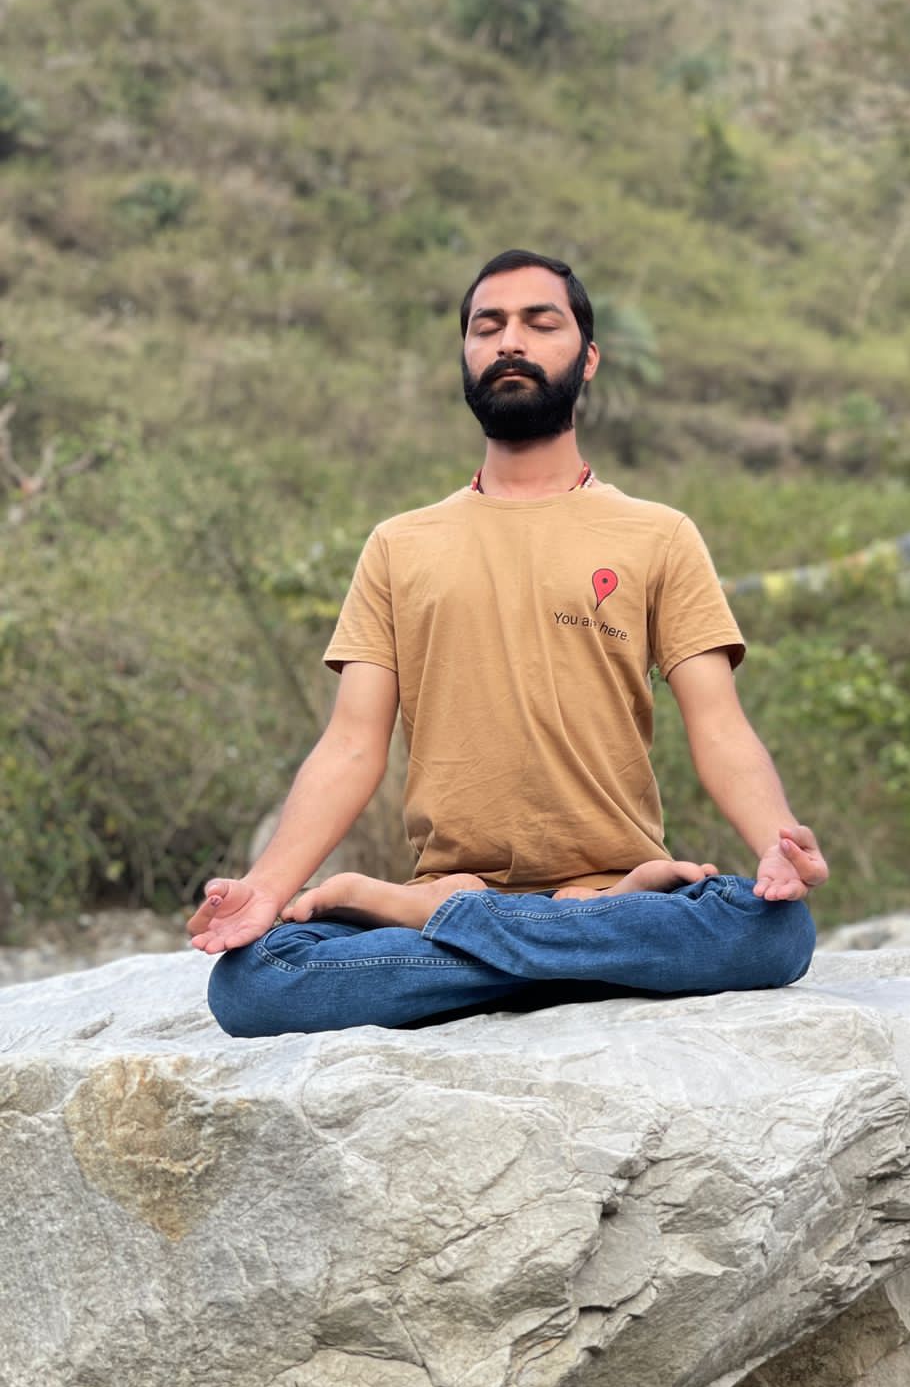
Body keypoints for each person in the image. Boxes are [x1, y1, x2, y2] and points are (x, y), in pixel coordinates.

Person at [192, 249, 829, 1036]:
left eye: (540, 322)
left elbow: (719, 725)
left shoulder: (659, 535)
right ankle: (575, 947)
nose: (509, 342)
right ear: (465, 356)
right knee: (253, 983)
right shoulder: (400, 544)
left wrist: (777, 846)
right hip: (560, 904)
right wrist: (264, 886)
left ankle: (451, 926)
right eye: (486, 326)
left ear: (588, 357)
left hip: (586, 883)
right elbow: (353, 744)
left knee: (776, 930)